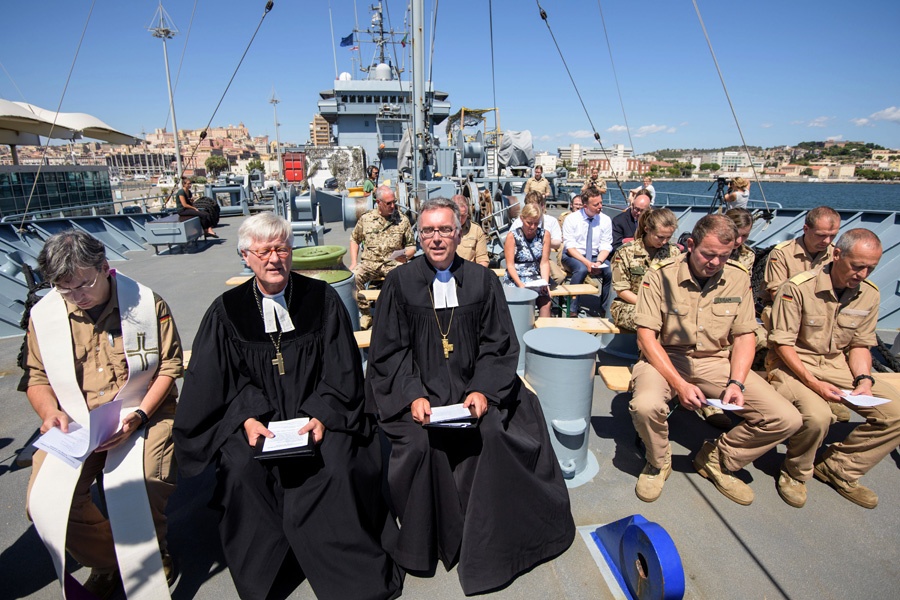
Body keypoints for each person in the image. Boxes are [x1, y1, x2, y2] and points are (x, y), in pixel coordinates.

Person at [174, 213, 403, 600]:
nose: (273, 259)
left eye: (281, 248)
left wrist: (323, 415)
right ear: (246, 257)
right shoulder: (227, 311)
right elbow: (216, 382)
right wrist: (246, 419)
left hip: (317, 417)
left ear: (291, 253)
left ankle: (341, 566)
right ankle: (271, 569)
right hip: (258, 424)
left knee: (336, 461)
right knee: (241, 469)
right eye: (263, 251)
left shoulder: (321, 300)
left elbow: (342, 371)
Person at [366, 197, 575, 595]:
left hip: (473, 391)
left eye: (445, 229)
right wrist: (412, 395)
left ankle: (490, 541)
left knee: (494, 434)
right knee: (418, 443)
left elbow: (499, 345)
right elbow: (389, 350)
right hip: (419, 393)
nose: (437, 238)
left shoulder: (482, 280)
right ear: (419, 235)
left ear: (459, 232)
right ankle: (428, 540)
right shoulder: (401, 282)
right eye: (428, 231)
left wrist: (482, 390)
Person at [21, 230, 183, 599]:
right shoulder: (45, 314)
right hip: (77, 421)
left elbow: (170, 366)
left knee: (144, 482)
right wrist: (49, 414)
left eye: (83, 284)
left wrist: (139, 415)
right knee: (43, 502)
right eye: (65, 288)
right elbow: (37, 375)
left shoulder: (145, 304)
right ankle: (112, 559)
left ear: (105, 268)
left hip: (143, 409)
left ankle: (151, 555)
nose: (77, 297)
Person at [629, 215, 801, 504]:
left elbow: (745, 334)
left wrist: (737, 382)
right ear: (691, 245)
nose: (715, 263)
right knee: (645, 406)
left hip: (716, 360)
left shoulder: (737, 277)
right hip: (666, 357)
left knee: (786, 418)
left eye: (724, 256)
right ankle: (658, 462)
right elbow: (647, 337)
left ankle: (718, 457)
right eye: (708, 254)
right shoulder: (660, 275)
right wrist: (679, 385)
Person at [766, 229, 900, 509]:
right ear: (837, 255)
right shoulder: (798, 288)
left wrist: (863, 378)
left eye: (870, 268)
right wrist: (815, 384)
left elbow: (861, 344)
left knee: (895, 414)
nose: (862, 274)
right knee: (818, 417)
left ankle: (840, 468)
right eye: (857, 266)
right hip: (794, 365)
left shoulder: (869, 295)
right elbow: (783, 345)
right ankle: (795, 472)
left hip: (837, 365)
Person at [762, 206, 847, 421]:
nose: (826, 241)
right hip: (786, 314)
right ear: (805, 229)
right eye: (821, 235)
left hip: (820, 318)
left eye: (832, 236)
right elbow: (775, 292)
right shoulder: (783, 254)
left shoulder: (835, 255)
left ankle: (824, 390)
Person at [349, 185, 416, 329]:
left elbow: (412, 246)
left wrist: (404, 256)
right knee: (353, 277)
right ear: (378, 202)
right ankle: (366, 314)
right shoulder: (366, 219)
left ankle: (398, 315)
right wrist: (354, 261)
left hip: (392, 263)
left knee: (406, 278)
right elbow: (354, 239)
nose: (393, 206)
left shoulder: (402, 220)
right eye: (388, 203)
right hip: (369, 263)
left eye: (394, 202)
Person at [609, 207, 680, 332]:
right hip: (630, 305)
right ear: (647, 229)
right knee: (649, 322)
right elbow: (622, 290)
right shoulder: (626, 252)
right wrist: (650, 305)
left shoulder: (674, 253)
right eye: (660, 237)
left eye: (668, 238)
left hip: (664, 306)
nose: (664, 242)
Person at [561, 186, 613, 317]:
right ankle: (573, 309)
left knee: (610, 272)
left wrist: (599, 261)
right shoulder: (572, 219)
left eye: (601, 202)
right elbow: (570, 246)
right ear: (585, 206)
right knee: (582, 269)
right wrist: (587, 263)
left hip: (596, 256)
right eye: (596, 204)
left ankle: (604, 308)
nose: (600, 206)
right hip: (574, 256)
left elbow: (606, 245)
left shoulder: (605, 220)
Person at [503, 203, 552, 317]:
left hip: (535, 276)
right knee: (520, 303)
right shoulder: (512, 236)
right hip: (516, 276)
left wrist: (545, 283)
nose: (532, 227)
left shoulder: (545, 235)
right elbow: (510, 265)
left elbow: (544, 263)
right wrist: (520, 284)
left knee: (546, 302)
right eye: (529, 223)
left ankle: (543, 330)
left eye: (536, 223)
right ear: (522, 219)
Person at [511, 191, 566, 284]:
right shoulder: (518, 222)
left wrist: (544, 242)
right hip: (522, 260)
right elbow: (510, 243)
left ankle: (550, 294)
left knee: (559, 277)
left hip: (543, 258)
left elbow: (557, 243)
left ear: (543, 206)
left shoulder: (551, 221)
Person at [453, 194, 489, 267]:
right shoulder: (440, 229)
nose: (460, 219)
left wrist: (475, 275)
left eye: (463, 215)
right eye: (457, 215)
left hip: (468, 274)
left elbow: (483, 260)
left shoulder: (476, 230)